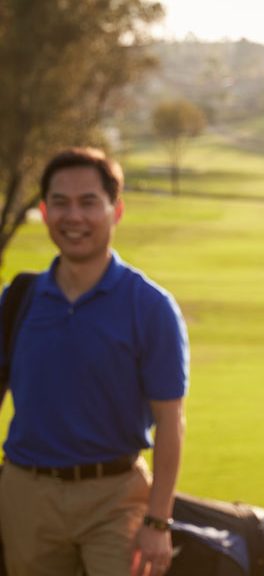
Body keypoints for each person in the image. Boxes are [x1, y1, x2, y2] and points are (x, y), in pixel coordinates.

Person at [0, 147, 189, 576]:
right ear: (44, 211)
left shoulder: (150, 306)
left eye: (89, 202)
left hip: (115, 498)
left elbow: (171, 421)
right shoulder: (17, 301)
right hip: (25, 495)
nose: (74, 217)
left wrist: (159, 521)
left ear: (115, 210)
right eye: (61, 203)